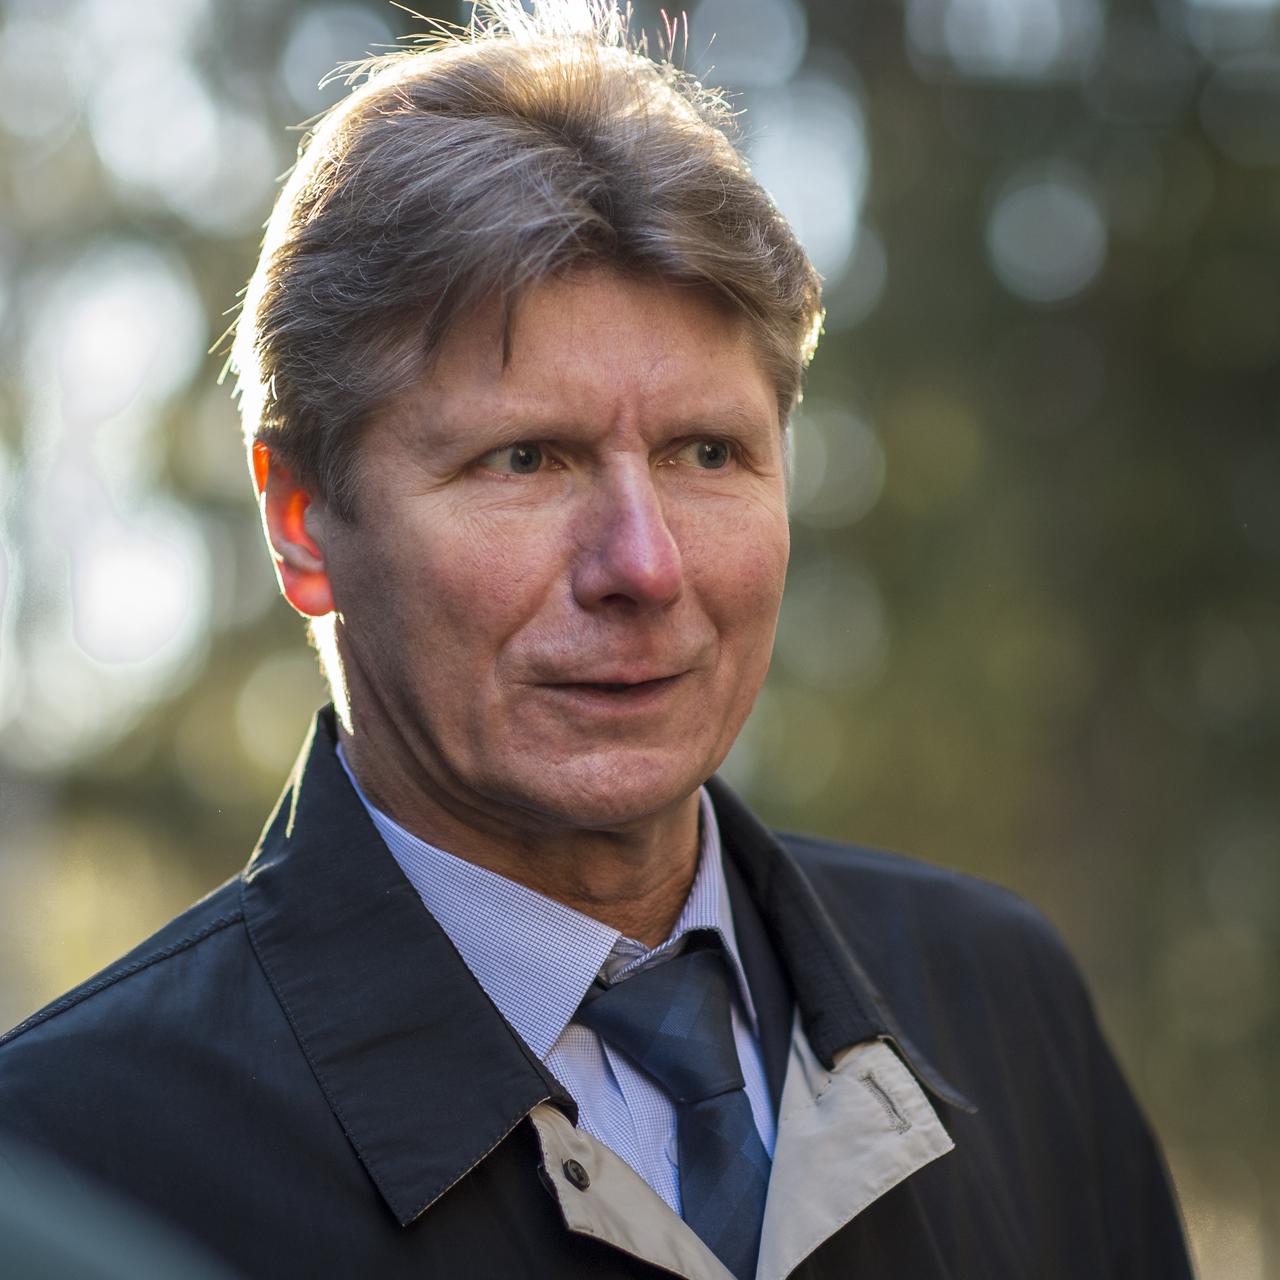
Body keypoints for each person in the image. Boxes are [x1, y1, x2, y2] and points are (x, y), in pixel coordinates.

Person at [0, 3, 1191, 1277]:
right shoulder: (70, 1160)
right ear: (301, 523)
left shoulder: (1000, 1009)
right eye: (526, 457)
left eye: (705, 452)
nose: (642, 563)